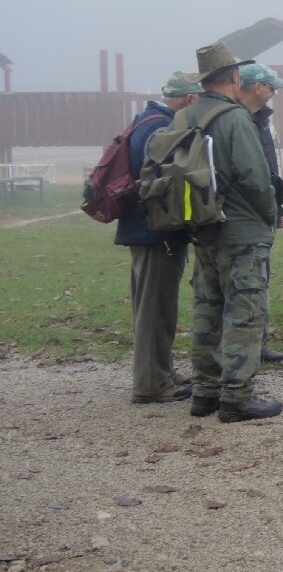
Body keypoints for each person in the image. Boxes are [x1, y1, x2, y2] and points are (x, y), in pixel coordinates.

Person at [179, 43, 282, 423]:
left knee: (206, 311)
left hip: (201, 228)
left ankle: (204, 392)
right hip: (240, 232)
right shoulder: (235, 118)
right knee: (245, 312)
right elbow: (256, 177)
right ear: (235, 77)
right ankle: (236, 398)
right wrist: (270, 214)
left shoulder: (185, 116)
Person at [119, 72, 201, 404]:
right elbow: (169, 180)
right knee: (155, 308)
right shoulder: (162, 128)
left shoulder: (146, 119)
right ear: (190, 100)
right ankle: (150, 383)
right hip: (156, 231)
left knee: (154, 305)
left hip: (144, 228)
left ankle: (161, 369)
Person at [237, 63, 283, 363]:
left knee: (261, 280)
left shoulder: (259, 119)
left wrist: (277, 208)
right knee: (246, 286)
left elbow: (269, 173)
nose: (274, 92)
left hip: (264, 211)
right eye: (271, 87)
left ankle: (258, 343)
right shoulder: (238, 120)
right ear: (257, 87)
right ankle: (244, 351)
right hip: (246, 215)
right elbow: (251, 174)